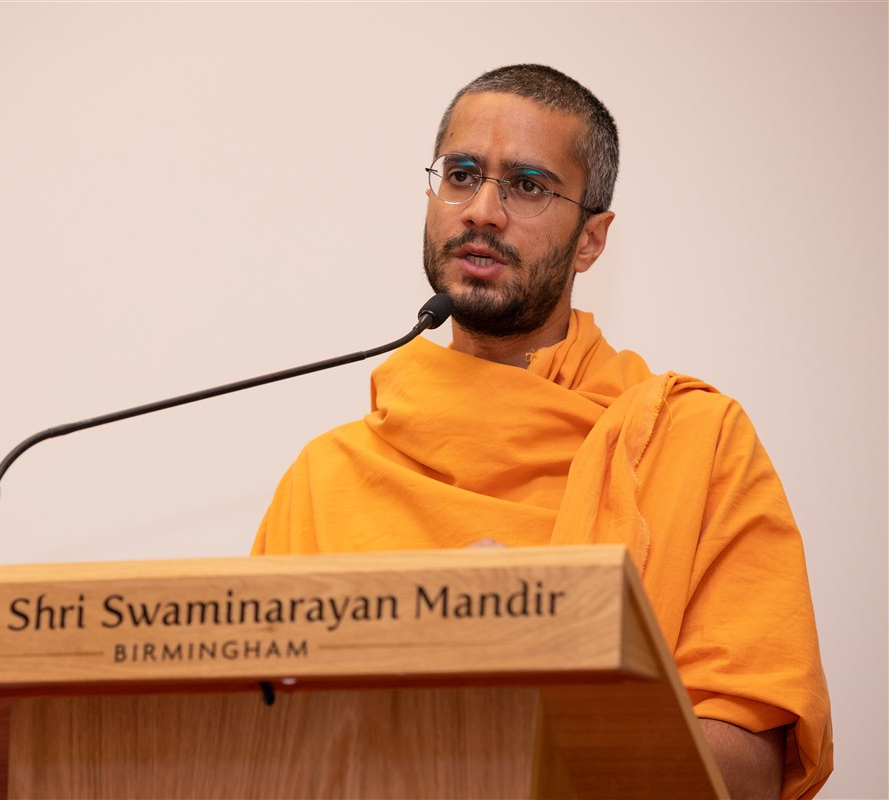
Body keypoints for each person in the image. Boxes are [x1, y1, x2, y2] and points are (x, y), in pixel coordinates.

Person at [252, 64, 832, 800]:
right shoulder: (327, 476)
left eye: (528, 186)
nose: (482, 211)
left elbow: (749, 775)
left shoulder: (696, 442)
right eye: (461, 175)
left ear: (591, 240)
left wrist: (536, 650)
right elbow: (252, 745)